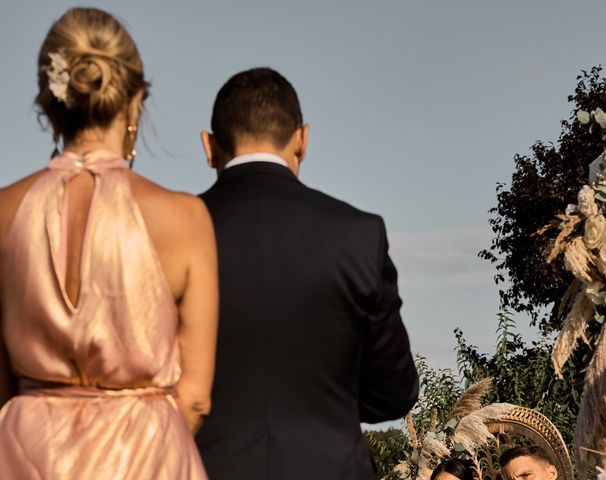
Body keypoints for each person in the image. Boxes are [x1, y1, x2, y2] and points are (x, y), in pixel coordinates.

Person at [0, 8, 218, 479]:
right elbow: (196, 397)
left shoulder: (3, 213)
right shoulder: (185, 219)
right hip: (148, 459)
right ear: (135, 102)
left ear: (49, 102)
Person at [197, 67, 419, 479]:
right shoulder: (357, 234)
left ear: (209, 147)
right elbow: (394, 394)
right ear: (302, 139)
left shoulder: (168, 236)